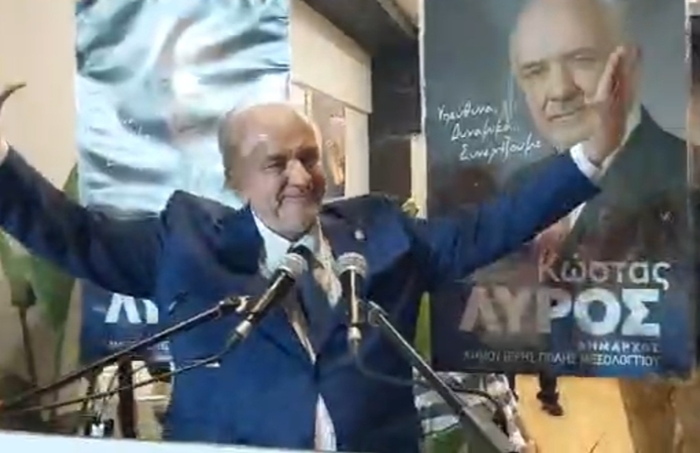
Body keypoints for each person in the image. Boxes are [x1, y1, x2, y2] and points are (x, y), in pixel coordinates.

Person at [0, 45, 625, 453]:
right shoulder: (185, 243)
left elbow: (492, 224)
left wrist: (592, 151)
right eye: (276, 164)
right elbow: (73, 234)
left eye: (309, 157)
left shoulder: (382, 231)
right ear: (235, 180)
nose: (301, 177)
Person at [505, 0, 693, 425]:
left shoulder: (687, 175)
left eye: (582, 59)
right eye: (535, 71)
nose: (559, 90)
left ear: (632, 66)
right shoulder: (519, 189)